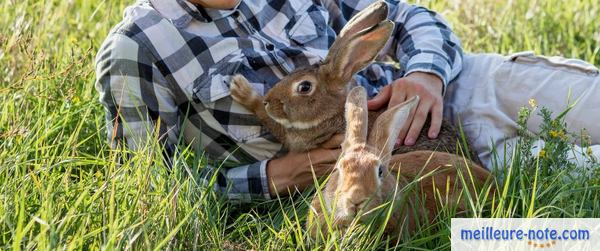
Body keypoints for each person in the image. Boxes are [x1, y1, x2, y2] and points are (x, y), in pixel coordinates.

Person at [95, 0, 599, 202]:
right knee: (569, 178)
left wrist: (425, 74)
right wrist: (274, 178)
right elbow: (148, 187)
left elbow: (402, 15)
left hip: (455, 91)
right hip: (394, 171)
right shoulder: (138, 47)